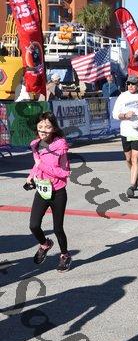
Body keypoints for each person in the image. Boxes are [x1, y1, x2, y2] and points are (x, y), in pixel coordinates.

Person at [25, 112, 71, 272]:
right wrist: (30, 176)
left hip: (58, 192)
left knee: (58, 229)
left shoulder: (61, 146)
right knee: (33, 225)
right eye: (40, 127)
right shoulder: (36, 145)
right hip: (42, 190)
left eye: (47, 127)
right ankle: (45, 244)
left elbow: (64, 172)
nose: (43, 130)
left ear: (54, 128)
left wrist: (41, 166)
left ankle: (65, 255)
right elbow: (36, 164)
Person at [112, 75, 138, 198]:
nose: (131, 86)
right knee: (128, 159)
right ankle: (136, 173)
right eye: (129, 84)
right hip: (126, 131)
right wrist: (125, 116)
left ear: (137, 85)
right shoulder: (122, 96)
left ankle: (132, 186)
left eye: (133, 84)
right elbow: (115, 114)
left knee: (135, 159)